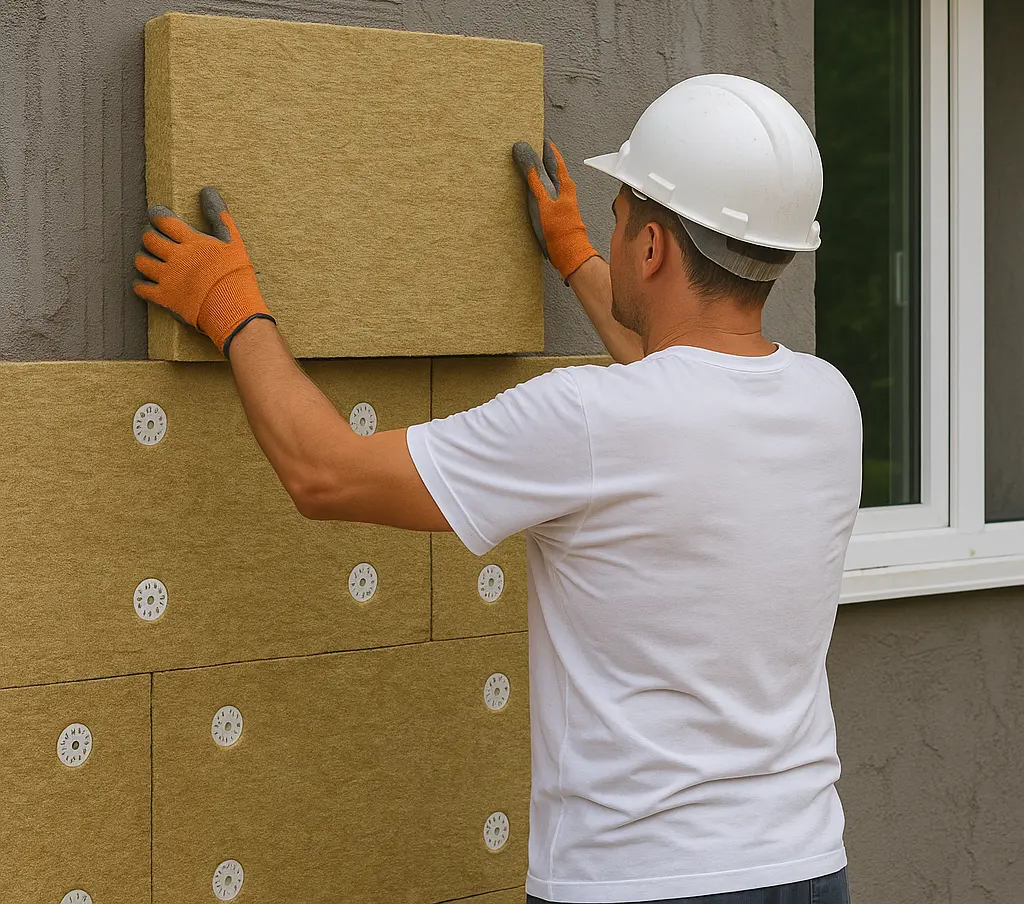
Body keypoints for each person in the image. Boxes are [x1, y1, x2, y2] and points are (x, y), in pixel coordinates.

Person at [134, 73, 862, 904]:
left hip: (644, 882)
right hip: (804, 864)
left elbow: (323, 471)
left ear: (654, 249)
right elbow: (681, 391)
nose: (611, 230)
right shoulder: (827, 402)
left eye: (620, 218)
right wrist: (582, 257)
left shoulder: (589, 419)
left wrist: (231, 308)